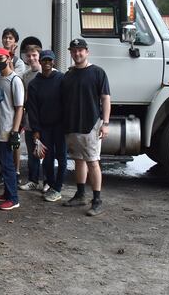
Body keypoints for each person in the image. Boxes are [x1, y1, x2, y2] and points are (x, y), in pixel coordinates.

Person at [61, 38, 111, 217]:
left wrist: (105, 123)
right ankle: (80, 194)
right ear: (71, 53)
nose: (77, 53)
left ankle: (97, 200)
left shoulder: (98, 72)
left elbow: (105, 98)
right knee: (78, 160)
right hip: (72, 126)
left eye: (80, 50)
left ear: (87, 52)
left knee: (92, 162)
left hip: (91, 125)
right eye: (74, 51)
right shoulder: (68, 75)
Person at [26, 50, 67, 202]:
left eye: (50, 60)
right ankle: (49, 183)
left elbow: (67, 102)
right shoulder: (34, 84)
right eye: (44, 60)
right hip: (44, 127)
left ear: (54, 62)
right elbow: (32, 109)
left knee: (62, 157)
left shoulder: (62, 79)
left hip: (60, 126)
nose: (47, 63)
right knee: (47, 158)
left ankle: (58, 187)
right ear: (40, 62)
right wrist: (36, 130)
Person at [0, 47, 24, 211]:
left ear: (9, 58)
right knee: (3, 163)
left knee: (8, 165)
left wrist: (15, 131)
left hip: (7, 129)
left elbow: (19, 108)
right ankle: (6, 193)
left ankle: (13, 198)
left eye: (1, 59)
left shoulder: (15, 80)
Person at [19, 44, 44, 191]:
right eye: (29, 56)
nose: (32, 58)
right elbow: (24, 98)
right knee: (32, 152)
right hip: (30, 120)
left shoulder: (47, 72)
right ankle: (33, 180)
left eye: (34, 55)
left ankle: (48, 182)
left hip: (45, 120)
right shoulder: (26, 75)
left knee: (46, 152)